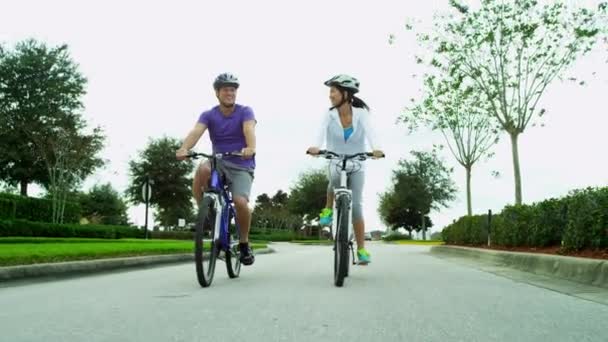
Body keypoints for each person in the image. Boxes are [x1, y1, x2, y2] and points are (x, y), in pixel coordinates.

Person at [176, 72, 257, 266]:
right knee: (202, 170)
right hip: (218, 161)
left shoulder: (245, 111)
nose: (230, 93)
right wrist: (184, 148)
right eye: (225, 90)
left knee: (239, 201)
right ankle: (204, 211)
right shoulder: (209, 114)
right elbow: (196, 132)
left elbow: (249, 130)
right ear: (217, 93)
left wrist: (250, 148)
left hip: (241, 163)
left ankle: (244, 243)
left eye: (233, 90)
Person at [307, 74, 384, 265]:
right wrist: (315, 147)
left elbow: (371, 132)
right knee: (333, 180)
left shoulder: (362, 114)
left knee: (356, 206)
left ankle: (362, 249)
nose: (330, 95)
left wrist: (376, 149)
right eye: (330, 91)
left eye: (333, 91)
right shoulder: (329, 114)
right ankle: (328, 210)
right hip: (335, 159)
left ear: (345, 93)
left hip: (357, 163)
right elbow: (319, 132)